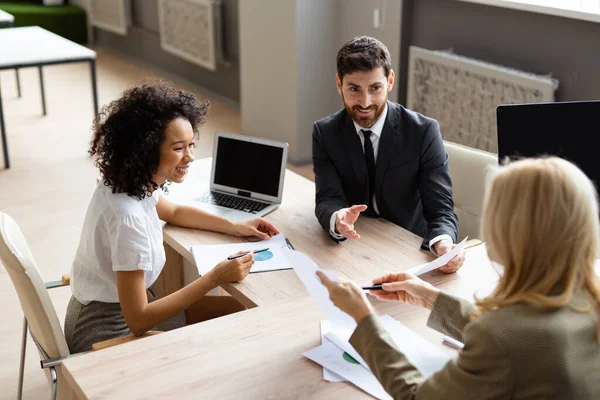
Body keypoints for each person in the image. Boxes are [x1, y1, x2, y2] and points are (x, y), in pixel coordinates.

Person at [318, 157, 600, 399]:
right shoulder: (587, 299)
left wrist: (365, 320)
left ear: (511, 231)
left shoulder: (502, 336)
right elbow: (519, 341)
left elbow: (416, 396)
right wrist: (430, 296)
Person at [65, 80, 279, 353]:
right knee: (235, 332)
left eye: (191, 145)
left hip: (109, 313)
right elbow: (139, 320)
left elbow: (173, 211)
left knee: (242, 311)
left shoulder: (130, 185)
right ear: (146, 149)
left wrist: (234, 226)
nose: (189, 157)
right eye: (178, 148)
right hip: (106, 333)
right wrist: (214, 278)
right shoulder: (127, 218)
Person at [312, 36, 463, 273]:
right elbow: (327, 197)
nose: (365, 102)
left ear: (390, 81)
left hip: (409, 247)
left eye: (375, 88)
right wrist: (337, 219)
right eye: (354, 89)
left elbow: (441, 209)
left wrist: (443, 244)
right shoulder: (326, 132)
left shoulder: (423, 131)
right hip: (357, 246)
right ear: (339, 84)